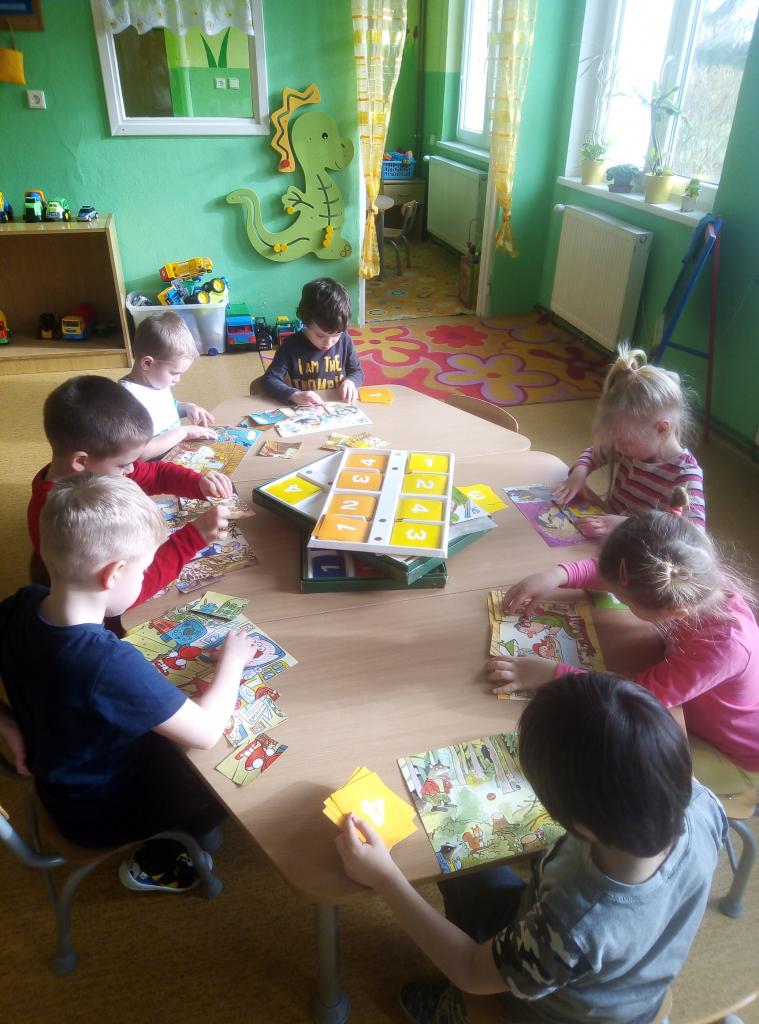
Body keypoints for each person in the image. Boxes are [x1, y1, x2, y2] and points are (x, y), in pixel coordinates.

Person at [337, 673, 727, 1024]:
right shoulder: (703, 803)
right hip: (627, 982)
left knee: (455, 865)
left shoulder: (572, 928)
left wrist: (385, 878)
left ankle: (455, 1013)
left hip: (543, 1008)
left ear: (581, 827)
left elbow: (469, 969)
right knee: (462, 867)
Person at [2, 474, 257, 891]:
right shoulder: (104, 662)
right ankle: (160, 857)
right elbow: (207, 732)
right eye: (143, 569)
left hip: (65, 778)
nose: (144, 579)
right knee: (223, 785)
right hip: (100, 812)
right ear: (114, 574)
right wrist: (233, 661)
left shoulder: (22, 602)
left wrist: (6, 721)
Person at [490, 498, 759, 800]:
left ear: (673, 611)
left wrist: (551, 673)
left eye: (626, 601)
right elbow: (617, 574)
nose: (618, 596)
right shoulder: (693, 577)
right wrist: (556, 575)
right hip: (689, 706)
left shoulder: (723, 646)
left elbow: (630, 695)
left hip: (733, 754)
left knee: (616, 763)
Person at [27, 375, 233, 616]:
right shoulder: (69, 516)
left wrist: (198, 483)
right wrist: (193, 538)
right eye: (123, 464)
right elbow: (117, 598)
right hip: (94, 615)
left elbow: (156, 474)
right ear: (81, 461)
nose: (133, 469)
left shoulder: (92, 471)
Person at [553, 346, 705, 539]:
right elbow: (595, 453)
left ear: (662, 429)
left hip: (640, 549)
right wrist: (579, 474)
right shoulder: (631, 447)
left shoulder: (686, 475)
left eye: (625, 442)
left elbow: (693, 536)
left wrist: (625, 524)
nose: (617, 448)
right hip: (608, 535)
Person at [121, 311, 216, 459]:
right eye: (174, 373)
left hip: (175, 454)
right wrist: (183, 432)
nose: (177, 380)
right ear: (147, 363)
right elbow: (140, 454)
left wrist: (187, 408)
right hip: (153, 466)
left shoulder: (156, 382)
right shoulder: (126, 399)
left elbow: (162, 411)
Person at [258, 278, 363, 406]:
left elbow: (357, 371)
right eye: (320, 335)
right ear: (305, 323)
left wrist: (351, 382)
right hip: (307, 408)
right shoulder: (290, 346)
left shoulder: (345, 340)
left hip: (338, 404)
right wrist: (294, 394)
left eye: (336, 335)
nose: (328, 343)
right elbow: (269, 380)